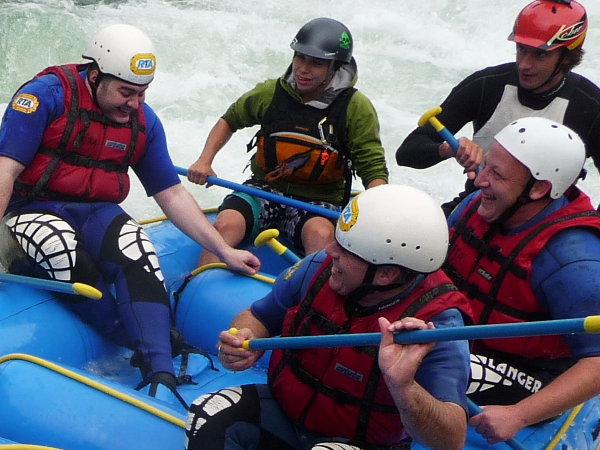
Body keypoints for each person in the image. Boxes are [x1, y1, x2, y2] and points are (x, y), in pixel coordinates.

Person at [0, 24, 260, 403]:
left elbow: (170, 194)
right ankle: (156, 343)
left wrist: (224, 250)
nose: (135, 103)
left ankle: (161, 374)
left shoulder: (143, 122)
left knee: (135, 244)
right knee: (59, 248)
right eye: (126, 92)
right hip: (27, 211)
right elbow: (5, 170)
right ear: (95, 77)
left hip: (93, 211)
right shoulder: (45, 98)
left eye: (142, 93)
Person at [185, 184, 473, 450]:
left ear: (385, 274)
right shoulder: (318, 267)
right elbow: (256, 315)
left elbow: (452, 438)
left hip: (358, 442)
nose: (330, 251)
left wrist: (404, 386)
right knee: (207, 413)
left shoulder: (438, 322)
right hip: (285, 416)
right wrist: (241, 337)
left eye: (346, 250)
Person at [444, 117, 600, 444]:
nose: (480, 180)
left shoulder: (570, 260)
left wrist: (519, 415)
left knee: (436, 367)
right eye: (485, 165)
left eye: (496, 174)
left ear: (539, 188)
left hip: (527, 371)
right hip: (460, 336)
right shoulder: (479, 204)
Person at [187, 17, 388, 266]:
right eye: (300, 57)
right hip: (263, 189)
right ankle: (198, 287)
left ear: (335, 67)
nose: (303, 69)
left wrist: (379, 214)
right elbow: (229, 120)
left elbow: (373, 167)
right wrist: (205, 160)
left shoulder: (355, 107)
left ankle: (313, 300)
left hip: (319, 201)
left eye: (316, 63)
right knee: (225, 225)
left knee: (320, 235)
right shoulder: (271, 92)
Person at [395, 0, 600, 215]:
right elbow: (407, 152)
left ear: (566, 57)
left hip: (546, 222)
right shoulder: (486, 85)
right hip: (479, 205)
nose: (524, 64)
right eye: (521, 49)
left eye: (540, 54)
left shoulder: (590, 107)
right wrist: (447, 149)